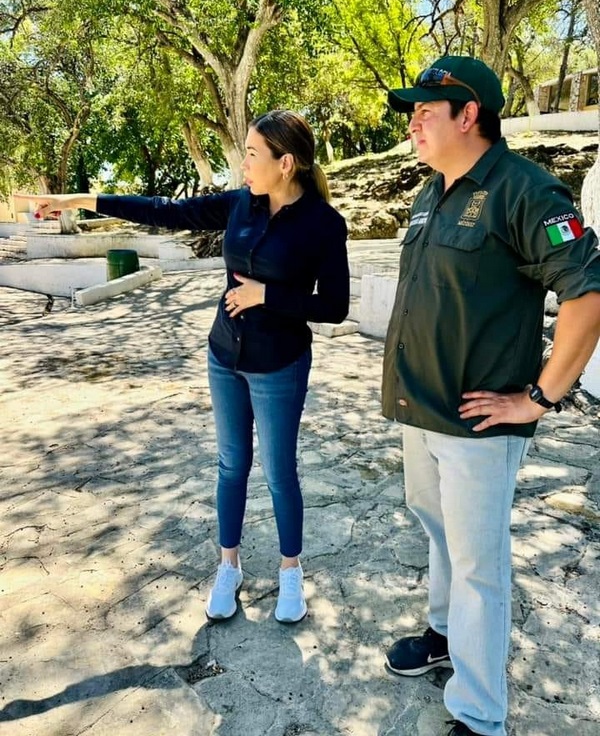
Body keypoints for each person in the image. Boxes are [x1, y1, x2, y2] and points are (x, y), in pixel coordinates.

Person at [16, 109, 350, 625]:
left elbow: (335, 307)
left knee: (279, 472)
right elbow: (163, 211)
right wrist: (78, 200)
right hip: (224, 356)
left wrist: (269, 295)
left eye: (253, 154)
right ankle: (228, 566)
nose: (243, 163)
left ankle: (290, 571)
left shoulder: (323, 225)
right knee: (231, 464)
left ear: (286, 164)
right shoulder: (241, 205)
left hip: (279, 365)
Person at [382, 56, 600, 736]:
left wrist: (539, 398)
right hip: (419, 408)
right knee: (440, 536)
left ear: (469, 114)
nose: (414, 120)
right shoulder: (430, 192)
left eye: (427, 109)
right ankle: (444, 637)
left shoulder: (524, 191)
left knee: (479, 566)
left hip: (478, 423)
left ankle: (479, 715)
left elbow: (587, 297)